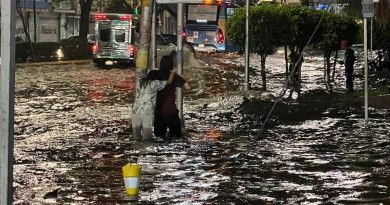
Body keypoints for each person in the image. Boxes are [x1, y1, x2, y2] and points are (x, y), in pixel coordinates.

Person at [154, 56, 192, 140]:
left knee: (159, 138)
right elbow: (188, 87)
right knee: (176, 137)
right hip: (171, 112)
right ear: (171, 65)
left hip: (158, 112)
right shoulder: (174, 76)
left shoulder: (155, 75)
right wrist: (180, 76)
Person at [132, 69, 175, 141]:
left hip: (135, 112)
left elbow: (138, 74)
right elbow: (169, 81)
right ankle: (145, 151)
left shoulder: (138, 82)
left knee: (136, 138)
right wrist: (173, 72)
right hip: (147, 113)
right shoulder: (154, 84)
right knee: (147, 138)